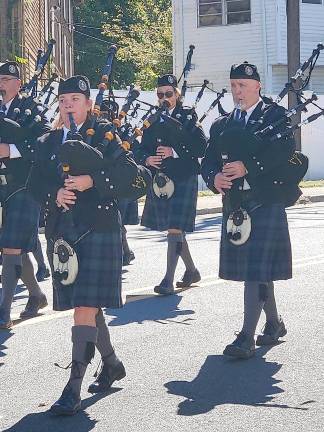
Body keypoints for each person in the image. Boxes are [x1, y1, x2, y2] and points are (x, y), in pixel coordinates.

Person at [29, 75, 139, 415]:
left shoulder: (106, 136)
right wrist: (55, 194)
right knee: (88, 304)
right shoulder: (48, 141)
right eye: (63, 99)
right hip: (64, 234)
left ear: (88, 104)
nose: (68, 104)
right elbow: (34, 184)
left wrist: (93, 180)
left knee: (84, 307)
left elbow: (133, 177)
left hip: (100, 228)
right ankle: (111, 363)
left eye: (75, 99)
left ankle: (73, 388)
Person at [201, 62, 300, 359]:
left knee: (255, 270)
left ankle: (246, 338)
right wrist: (213, 178)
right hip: (235, 206)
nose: (237, 91)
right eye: (233, 86)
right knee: (258, 269)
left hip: (265, 201)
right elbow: (207, 162)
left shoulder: (276, 117)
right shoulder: (222, 124)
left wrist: (249, 167)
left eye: (242, 85)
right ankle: (273, 324)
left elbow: (283, 153)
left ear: (257, 86)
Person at [136, 74, 207, 295]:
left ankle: (168, 279)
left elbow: (201, 147)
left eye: (168, 93)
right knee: (174, 229)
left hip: (183, 176)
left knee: (175, 229)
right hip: (161, 180)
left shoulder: (187, 116)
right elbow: (141, 147)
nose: (164, 98)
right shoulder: (152, 118)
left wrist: (173, 152)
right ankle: (192, 271)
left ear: (177, 94)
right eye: (160, 94)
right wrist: (147, 159)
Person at [0, 61, 49, 328]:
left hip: (25, 185)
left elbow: (43, 142)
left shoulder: (32, 109)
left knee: (11, 247)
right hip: (2, 185)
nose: (1, 84)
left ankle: (3, 310)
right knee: (15, 248)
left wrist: (10, 150)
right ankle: (36, 294)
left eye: (7, 79)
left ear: (18, 83)